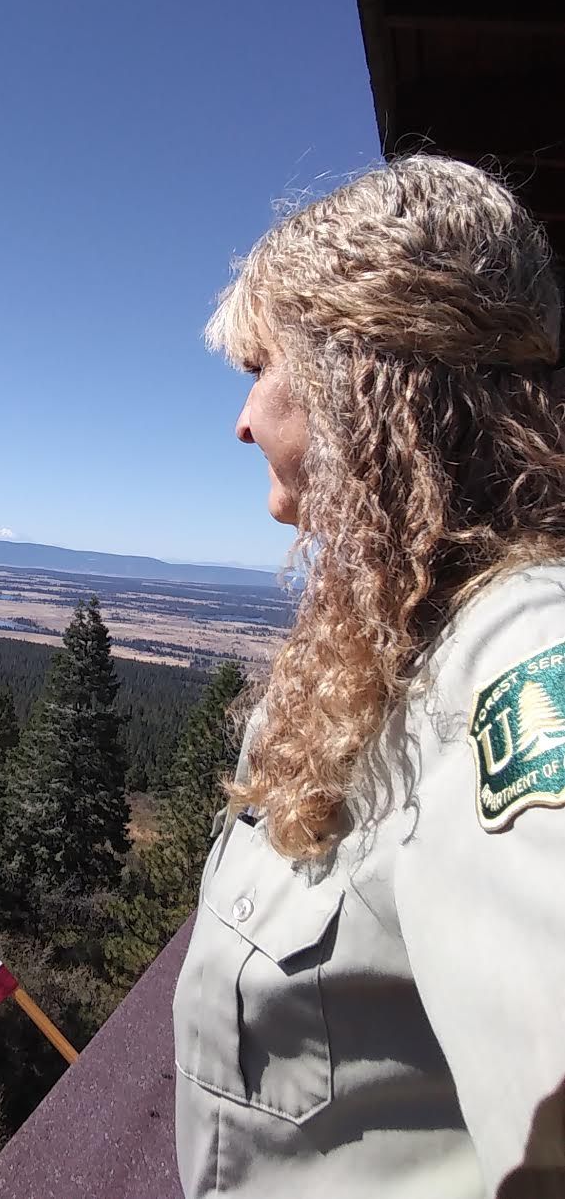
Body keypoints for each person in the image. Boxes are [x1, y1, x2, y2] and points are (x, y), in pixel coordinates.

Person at [173, 155, 565, 1199]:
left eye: (263, 365)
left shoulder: (519, 655)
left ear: (361, 373)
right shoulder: (395, 642)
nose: (243, 421)